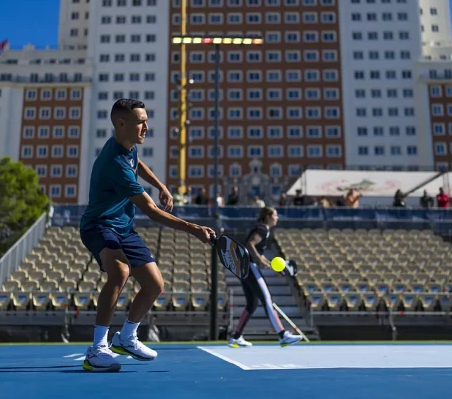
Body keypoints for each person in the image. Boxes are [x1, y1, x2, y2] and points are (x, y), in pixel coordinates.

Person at [79, 99, 216, 372]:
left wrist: (160, 184)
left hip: (123, 227)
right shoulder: (114, 162)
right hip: (98, 225)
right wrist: (195, 229)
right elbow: (151, 211)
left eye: (145, 119)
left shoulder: (125, 147)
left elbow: (138, 164)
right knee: (119, 273)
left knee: (154, 285)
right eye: (141, 121)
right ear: (121, 123)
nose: (146, 126)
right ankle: (96, 349)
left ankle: (127, 337)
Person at [229, 207, 302, 348]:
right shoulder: (263, 228)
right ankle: (282, 335)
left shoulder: (264, 230)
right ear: (267, 216)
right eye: (275, 215)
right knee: (267, 300)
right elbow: (250, 244)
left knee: (252, 304)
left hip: (243, 268)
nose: (277, 217)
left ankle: (236, 337)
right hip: (249, 267)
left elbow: (258, 253)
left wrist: (270, 265)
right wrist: (260, 261)